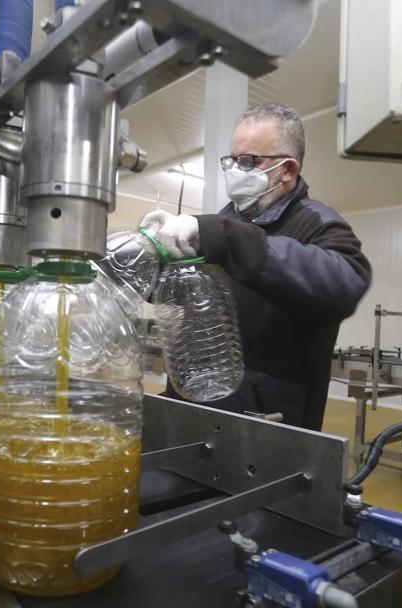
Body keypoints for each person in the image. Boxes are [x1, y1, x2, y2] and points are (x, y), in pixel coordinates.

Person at [141, 103, 371, 431]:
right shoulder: (224, 224)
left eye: (247, 161)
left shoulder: (316, 224)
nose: (235, 170)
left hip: (264, 425)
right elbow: (185, 294)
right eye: (232, 160)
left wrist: (218, 235)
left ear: (287, 169)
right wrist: (142, 266)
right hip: (192, 406)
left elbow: (344, 283)